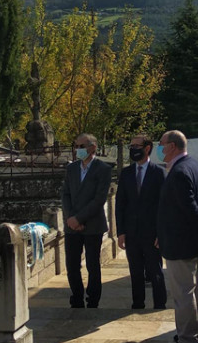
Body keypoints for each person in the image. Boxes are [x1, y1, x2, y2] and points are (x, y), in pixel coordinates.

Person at [156, 130, 198, 343]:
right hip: (193, 240)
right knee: (197, 286)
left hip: (180, 242)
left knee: (183, 292)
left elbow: (190, 207)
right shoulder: (193, 165)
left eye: (161, 144)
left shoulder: (180, 172)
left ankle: (186, 340)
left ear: (172, 146)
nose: (159, 148)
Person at [115, 134, 166, 310]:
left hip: (152, 233)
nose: (133, 149)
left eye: (137, 145)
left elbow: (163, 205)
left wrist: (161, 233)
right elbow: (120, 204)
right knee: (135, 272)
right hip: (131, 233)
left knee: (155, 271)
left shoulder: (158, 173)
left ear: (147, 148)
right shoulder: (127, 173)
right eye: (131, 145)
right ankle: (138, 303)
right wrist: (120, 232)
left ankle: (160, 304)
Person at [61, 133, 112, 308]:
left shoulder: (103, 169)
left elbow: (99, 199)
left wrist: (80, 218)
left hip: (93, 225)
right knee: (72, 264)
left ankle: (93, 299)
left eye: (81, 146)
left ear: (93, 148)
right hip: (72, 226)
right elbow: (65, 194)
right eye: (76, 146)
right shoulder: (71, 169)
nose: (78, 150)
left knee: (92, 263)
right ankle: (76, 297)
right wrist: (70, 218)